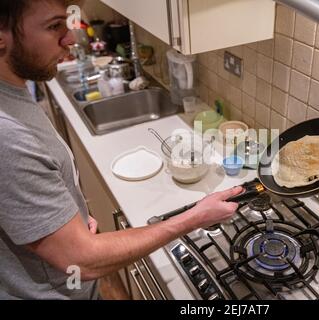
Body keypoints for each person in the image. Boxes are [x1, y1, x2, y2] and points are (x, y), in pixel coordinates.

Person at [0, 0, 243, 300]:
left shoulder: (12, 92)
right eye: (53, 27)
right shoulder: (8, 135)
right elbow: (81, 260)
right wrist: (195, 216)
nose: (71, 38)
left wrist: (65, 220)